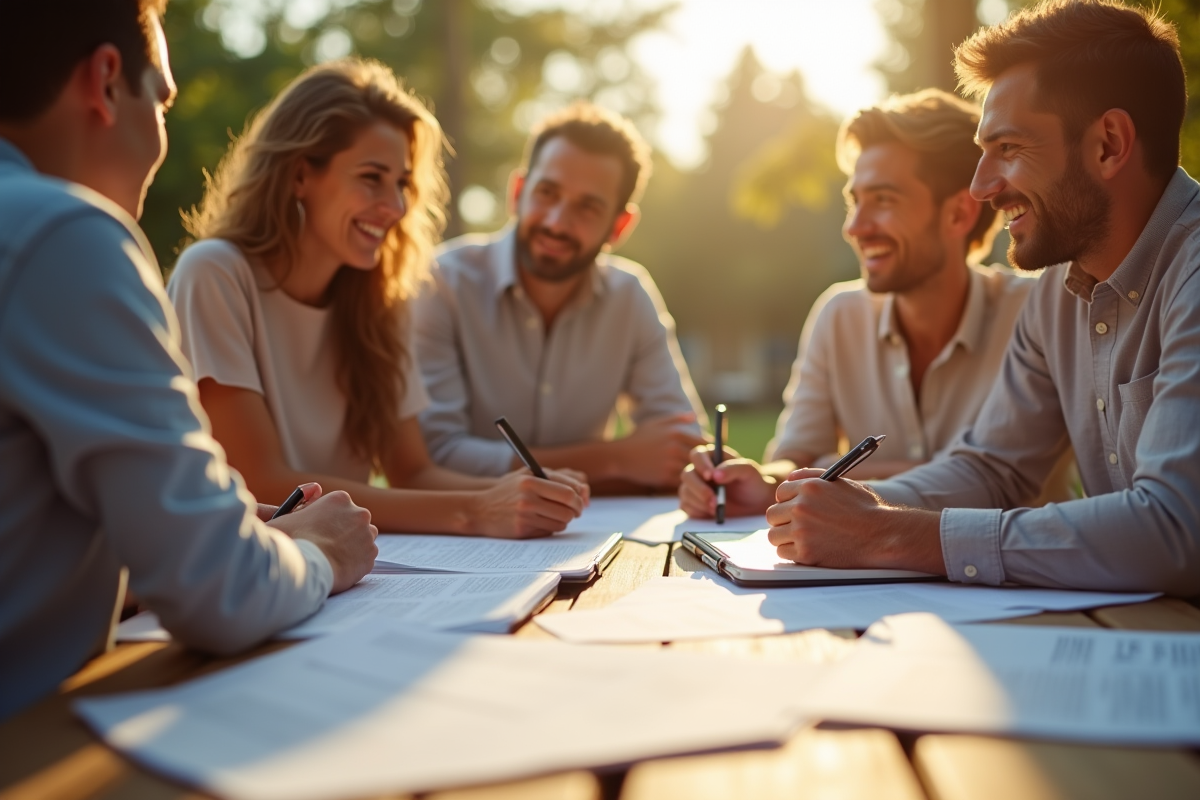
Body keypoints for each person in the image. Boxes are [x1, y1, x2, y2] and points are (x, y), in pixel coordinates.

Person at [0, 0, 378, 720]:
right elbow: (218, 592)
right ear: (106, 81)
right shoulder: (63, 233)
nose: (161, 134)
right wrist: (323, 553)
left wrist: (161, 545)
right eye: (164, 102)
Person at [765, 0, 1200, 596]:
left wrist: (888, 536)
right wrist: (849, 507)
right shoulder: (1057, 294)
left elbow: (1174, 529)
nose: (980, 187)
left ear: (1108, 144)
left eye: (1010, 149)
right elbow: (992, 467)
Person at [169, 59, 587, 539]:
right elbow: (262, 483)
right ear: (299, 175)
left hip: (348, 573)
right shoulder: (216, 273)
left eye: (402, 183)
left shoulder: (376, 302)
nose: (395, 206)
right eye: (372, 177)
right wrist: (475, 510)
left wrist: (519, 490)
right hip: (247, 578)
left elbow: (413, 472)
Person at [681, 89, 1059, 519]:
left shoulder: (1041, 312)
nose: (855, 227)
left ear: (958, 214)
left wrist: (839, 476)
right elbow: (796, 459)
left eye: (883, 200)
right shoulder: (838, 315)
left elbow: (1000, 479)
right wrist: (760, 481)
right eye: (854, 201)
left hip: (1014, 581)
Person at [414, 102, 707, 494]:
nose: (556, 222)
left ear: (619, 226)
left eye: (588, 207)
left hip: (590, 536)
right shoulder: (441, 282)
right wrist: (616, 458)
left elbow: (680, 446)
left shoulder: (630, 295)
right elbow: (433, 456)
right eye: (547, 193)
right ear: (518, 192)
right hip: (464, 542)